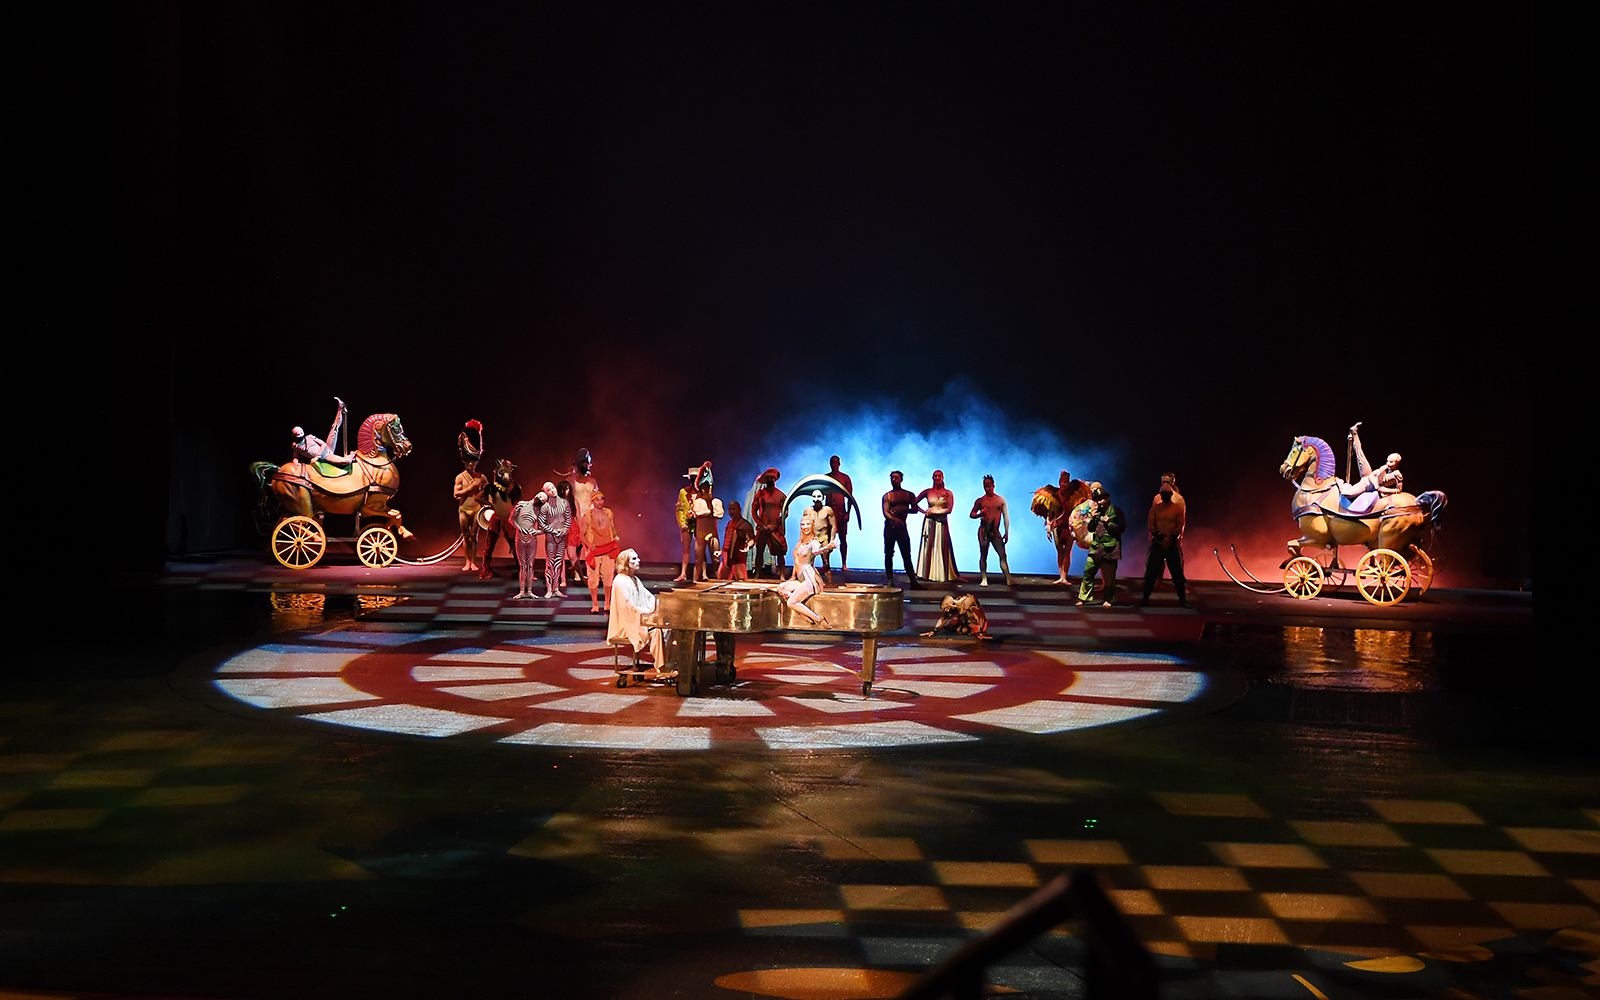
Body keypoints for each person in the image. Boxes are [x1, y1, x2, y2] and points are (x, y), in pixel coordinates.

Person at [777, 511, 839, 625]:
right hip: (801, 579)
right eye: (803, 524)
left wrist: (827, 547)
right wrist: (793, 576)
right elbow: (796, 560)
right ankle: (802, 612)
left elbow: (816, 551)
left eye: (808, 524)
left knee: (791, 603)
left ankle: (818, 619)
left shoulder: (813, 542)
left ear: (812, 526)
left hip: (809, 579)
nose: (805, 527)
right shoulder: (801, 542)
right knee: (781, 588)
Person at [608, 549, 665, 667]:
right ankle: (662, 667)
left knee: (668, 629)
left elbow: (649, 597)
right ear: (625, 562)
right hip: (626, 624)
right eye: (634, 559)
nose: (638, 560)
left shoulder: (635, 579)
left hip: (637, 619)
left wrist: (659, 605)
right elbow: (627, 606)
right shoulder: (620, 580)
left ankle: (669, 661)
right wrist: (647, 611)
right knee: (657, 631)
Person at [1073, 482, 1126, 607]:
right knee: (1088, 572)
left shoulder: (1116, 511)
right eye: (1098, 500)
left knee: (1109, 578)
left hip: (1110, 548)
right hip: (1096, 548)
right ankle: (1084, 597)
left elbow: (1122, 528)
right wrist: (1093, 519)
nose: (1100, 502)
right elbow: (1091, 529)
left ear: (1107, 499)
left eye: (1102, 499)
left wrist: (1109, 524)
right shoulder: (1096, 513)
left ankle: (1109, 599)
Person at [1141, 473, 1187, 608]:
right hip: (1158, 542)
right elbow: (1151, 524)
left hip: (1172, 542)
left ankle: (1182, 600)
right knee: (1151, 572)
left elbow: (1180, 523)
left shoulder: (1179, 502)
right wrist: (1159, 537)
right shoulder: (1155, 504)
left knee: (1177, 573)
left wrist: (1174, 537)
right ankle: (1146, 598)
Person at [1340, 423, 1403, 514]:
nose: (1388, 463)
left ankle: (1342, 485)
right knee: (1360, 454)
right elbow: (1371, 476)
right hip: (1366, 481)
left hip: (1369, 487)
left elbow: (1398, 490)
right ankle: (1354, 432)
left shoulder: (1397, 475)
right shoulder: (1384, 468)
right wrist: (1377, 486)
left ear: (1396, 463)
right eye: (1387, 461)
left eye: (1391, 462)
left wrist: (1385, 490)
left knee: (1346, 494)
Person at [478, 459, 522, 579]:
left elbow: (518, 500)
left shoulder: (514, 488)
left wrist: (515, 510)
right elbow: (478, 497)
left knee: (515, 545)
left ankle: (521, 569)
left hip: (509, 520)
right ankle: (486, 569)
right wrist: (487, 504)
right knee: (489, 544)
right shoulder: (491, 488)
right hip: (496, 519)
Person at [915, 470, 961, 583]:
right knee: (929, 546)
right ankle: (926, 572)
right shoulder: (928, 492)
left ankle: (941, 572)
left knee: (941, 546)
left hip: (941, 522)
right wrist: (923, 511)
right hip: (929, 523)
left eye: (939, 476)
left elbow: (949, 510)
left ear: (943, 477)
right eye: (935, 476)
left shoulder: (948, 493)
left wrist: (935, 512)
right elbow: (913, 502)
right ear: (932, 477)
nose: (937, 478)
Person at [561, 448, 599, 586]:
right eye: (583, 463)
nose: (585, 466)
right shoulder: (571, 482)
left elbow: (596, 498)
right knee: (574, 547)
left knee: (590, 547)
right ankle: (576, 572)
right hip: (575, 518)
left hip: (589, 517)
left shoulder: (592, 482)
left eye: (587, 463)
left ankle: (591, 573)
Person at [453, 420, 487, 572]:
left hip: (476, 509)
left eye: (472, 463)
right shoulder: (460, 477)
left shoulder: (482, 477)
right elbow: (456, 494)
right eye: (468, 463)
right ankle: (467, 562)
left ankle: (473, 562)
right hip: (464, 509)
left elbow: (488, 493)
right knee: (466, 536)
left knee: (474, 536)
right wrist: (470, 488)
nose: (470, 466)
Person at [581, 490, 622, 613]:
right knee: (593, 578)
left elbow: (612, 527)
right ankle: (595, 604)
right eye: (597, 499)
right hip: (594, 550)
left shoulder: (608, 513)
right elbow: (581, 535)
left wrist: (615, 536)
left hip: (608, 548)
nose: (600, 502)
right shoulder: (587, 516)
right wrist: (589, 544)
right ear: (592, 501)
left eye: (602, 499)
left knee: (608, 577)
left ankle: (607, 602)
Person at [969, 475, 1012, 587]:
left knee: (1002, 554)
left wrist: (1006, 532)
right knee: (984, 554)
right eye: (985, 486)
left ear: (993, 486)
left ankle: (1008, 577)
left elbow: (1006, 516)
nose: (987, 488)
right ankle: (984, 578)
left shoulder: (1000, 500)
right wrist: (980, 514)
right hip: (984, 531)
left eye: (989, 486)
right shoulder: (980, 501)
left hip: (995, 531)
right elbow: (972, 514)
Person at [1048, 470, 1089, 586]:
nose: (1063, 484)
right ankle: (1060, 576)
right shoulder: (1054, 495)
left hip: (1070, 526)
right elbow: (1050, 512)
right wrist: (1048, 528)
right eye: (1061, 482)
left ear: (1069, 483)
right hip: (1057, 526)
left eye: (1065, 482)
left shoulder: (1074, 495)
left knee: (1067, 552)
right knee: (1059, 551)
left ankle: (1064, 577)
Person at [882, 471, 920, 589]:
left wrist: (904, 509)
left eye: (896, 478)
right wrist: (895, 518)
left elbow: (915, 509)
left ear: (901, 479)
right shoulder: (887, 496)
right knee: (888, 554)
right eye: (892, 478)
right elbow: (886, 513)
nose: (894, 480)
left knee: (906, 554)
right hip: (890, 527)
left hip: (902, 527)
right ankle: (890, 580)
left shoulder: (909, 495)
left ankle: (913, 581)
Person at [290, 397, 353, 468]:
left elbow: (323, 444)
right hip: (321, 459)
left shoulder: (310, 437)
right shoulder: (296, 446)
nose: (301, 435)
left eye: (302, 433)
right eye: (298, 434)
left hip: (326, 454)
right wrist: (295, 461)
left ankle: (340, 409)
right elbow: (295, 456)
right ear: (294, 436)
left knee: (334, 428)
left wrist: (317, 456)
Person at [752, 468, 787, 580]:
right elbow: (754, 510)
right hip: (763, 527)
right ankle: (757, 574)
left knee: (780, 552)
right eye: (768, 478)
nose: (770, 480)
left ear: (775, 479)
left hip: (776, 528)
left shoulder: (781, 495)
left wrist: (775, 525)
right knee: (759, 550)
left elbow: (785, 512)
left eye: (772, 478)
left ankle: (782, 575)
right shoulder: (760, 494)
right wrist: (760, 523)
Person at [540, 481, 573, 599]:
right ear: (545, 492)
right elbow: (541, 524)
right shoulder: (545, 506)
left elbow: (568, 519)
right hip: (551, 537)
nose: (552, 490)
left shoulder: (565, 503)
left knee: (559, 563)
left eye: (553, 487)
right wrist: (553, 531)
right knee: (550, 563)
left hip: (561, 537)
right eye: (549, 490)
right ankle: (549, 589)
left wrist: (564, 530)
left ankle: (556, 588)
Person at [510, 489, 545, 600]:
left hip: (531, 539)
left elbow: (543, 528)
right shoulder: (521, 505)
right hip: (520, 538)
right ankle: (522, 591)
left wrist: (537, 532)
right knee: (523, 565)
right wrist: (519, 528)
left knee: (530, 566)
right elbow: (511, 519)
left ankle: (529, 591)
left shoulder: (538, 510)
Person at [825, 455, 853, 572]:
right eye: (832, 462)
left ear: (839, 464)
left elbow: (850, 497)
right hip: (829, 511)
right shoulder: (826, 477)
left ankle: (844, 564)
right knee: (826, 538)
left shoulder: (845, 478)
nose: (834, 464)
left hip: (841, 511)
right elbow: (820, 493)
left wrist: (848, 513)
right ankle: (826, 563)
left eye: (836, 462)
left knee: (843, 537)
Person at [922, 594, 991, 639]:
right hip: (966, 620)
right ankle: (959, 626)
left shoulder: (968, 601)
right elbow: (944, 618)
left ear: (949, 603)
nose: (947, 610)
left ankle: (963, 627)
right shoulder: (954, 606)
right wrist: (934, 631)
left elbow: (981, 617)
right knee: (950, 626)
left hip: (978, 623)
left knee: (962, 629)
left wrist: (980, 633)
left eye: (946, 608)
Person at [717, 500, 754, 580]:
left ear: (739, 510)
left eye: (733, 509)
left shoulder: (745, 525)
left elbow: (751, 539)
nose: (731, 512)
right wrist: (721, 551)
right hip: (726, 559)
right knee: (721, 583)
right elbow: (727, 541)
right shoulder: (729, 524)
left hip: (737, 560)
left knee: (742, 585)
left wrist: (748, 545)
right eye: (730, 509)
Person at [808, 489, 838, 584]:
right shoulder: (808, 510)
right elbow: (804, 525)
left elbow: (833, 525)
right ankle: (810, 584)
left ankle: (829, 584)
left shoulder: (827, 510)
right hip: (812, 539)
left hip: (823, 538)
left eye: (819, 497)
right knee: (809, 563)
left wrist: (832, 539)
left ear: (823, 498)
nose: (816, 499)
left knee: (826, 563)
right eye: (814, 497)